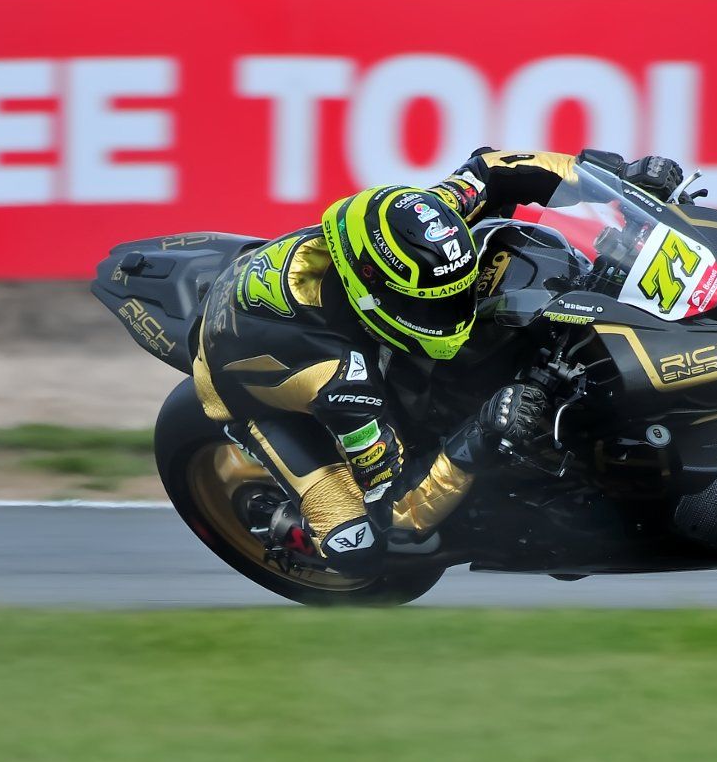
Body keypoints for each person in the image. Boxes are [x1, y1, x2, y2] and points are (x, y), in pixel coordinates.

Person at [191, 148, 683, 576]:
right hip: (245, 384)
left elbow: (495, 168)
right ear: (371, 294)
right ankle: (292, 531)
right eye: (431, 307)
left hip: (302, 304)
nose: (452, 314)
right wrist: (481, 433)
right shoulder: (343, 383)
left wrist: (621, 178)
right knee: (359, 545)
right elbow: (397, 511)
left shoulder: (425, 218)